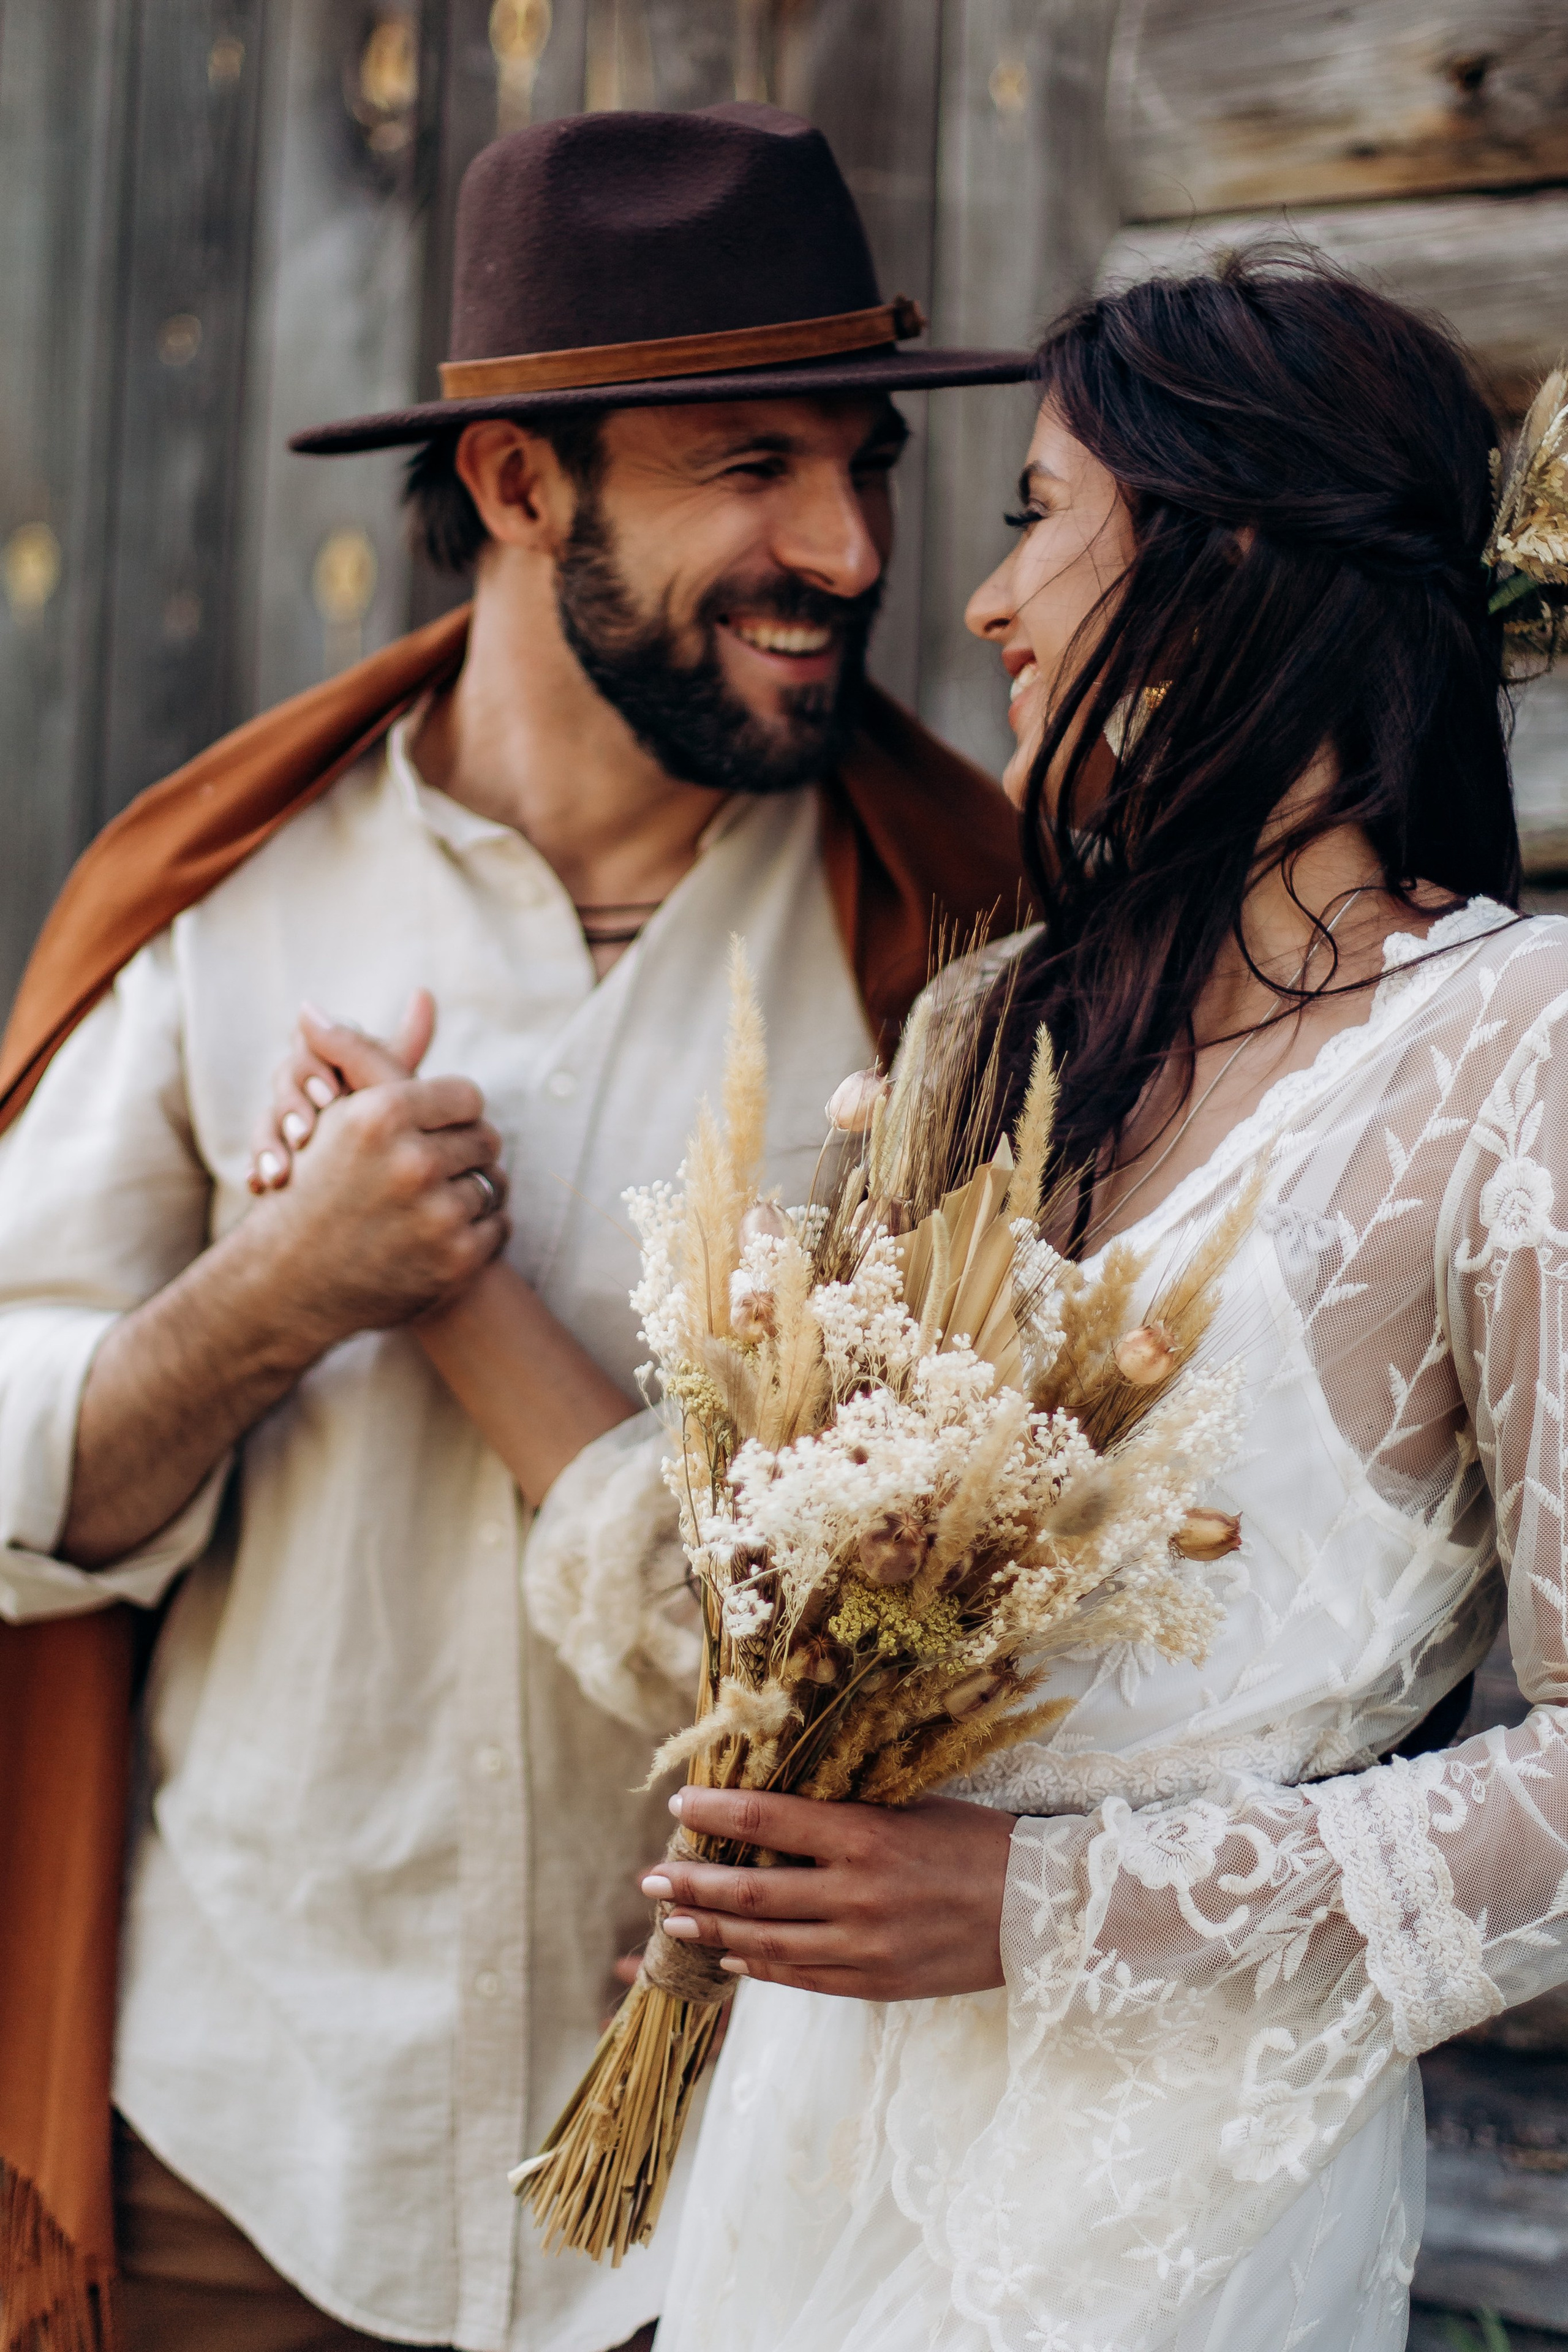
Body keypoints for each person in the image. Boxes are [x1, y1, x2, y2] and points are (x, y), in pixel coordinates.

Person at [445, 253, 1568, 2351]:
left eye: (1034, 513)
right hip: (808, 2145)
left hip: (1158, 2214)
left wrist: (1041, 1908)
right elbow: (808, 1592)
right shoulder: (992, 1039)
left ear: (1223, 558)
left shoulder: (1518, 1060)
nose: (982, 603)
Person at [0, 103, 1030, 2352]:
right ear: (517, 482)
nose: (849, 549)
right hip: (248, 2163)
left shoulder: (954, 955)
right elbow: (13, 1485)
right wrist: (276, 1299)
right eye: (754, 465)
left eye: (868, 464)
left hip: (755, 2211)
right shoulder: (218, 915)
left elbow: (934, 1664)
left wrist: (456, 1305)